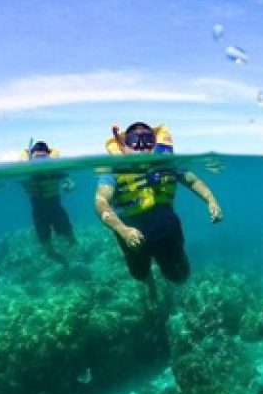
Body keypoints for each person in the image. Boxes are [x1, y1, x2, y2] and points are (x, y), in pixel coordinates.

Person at [94, 122, 223, 292]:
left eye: (148, 139)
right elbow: (101, 200)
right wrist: (123, 231)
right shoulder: (115, 171)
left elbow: (192, 180)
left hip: (167, 231)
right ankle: (151, 284)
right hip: (132, 235)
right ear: (123, 146)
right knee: (140, 273)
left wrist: (211, 200)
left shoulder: (168, 165)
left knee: (180, 276)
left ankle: (168, 283)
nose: (142, 146)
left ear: (156, 143)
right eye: (134, 140)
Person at [21, 141, 76, 264]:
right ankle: (63, 262)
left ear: (48, 156)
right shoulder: (25, 172)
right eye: (37, 158)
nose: (40, 162)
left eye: (43, 158)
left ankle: (77, 256)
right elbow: (6, 181)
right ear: (31, 157)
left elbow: (70, 181)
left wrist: (70, 186)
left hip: (56, 209)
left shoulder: (54, 170)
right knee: (47, 247)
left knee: (70, 237)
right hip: (38, 213)